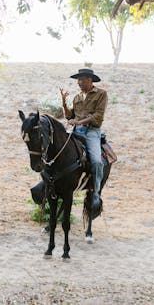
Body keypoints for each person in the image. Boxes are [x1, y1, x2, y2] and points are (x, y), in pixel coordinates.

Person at [60, 68, 108, 212]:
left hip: (91, 131)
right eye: (78, 80)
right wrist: (63, 103)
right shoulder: (77, 97)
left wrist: (80, 122)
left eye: (82, 80)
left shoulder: (101, 94)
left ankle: (95, 192)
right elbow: (69, 117)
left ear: (90, 80)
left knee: (97, 161)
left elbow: (98, 116)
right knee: (57, 150)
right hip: (75, 130)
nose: (79, 82)